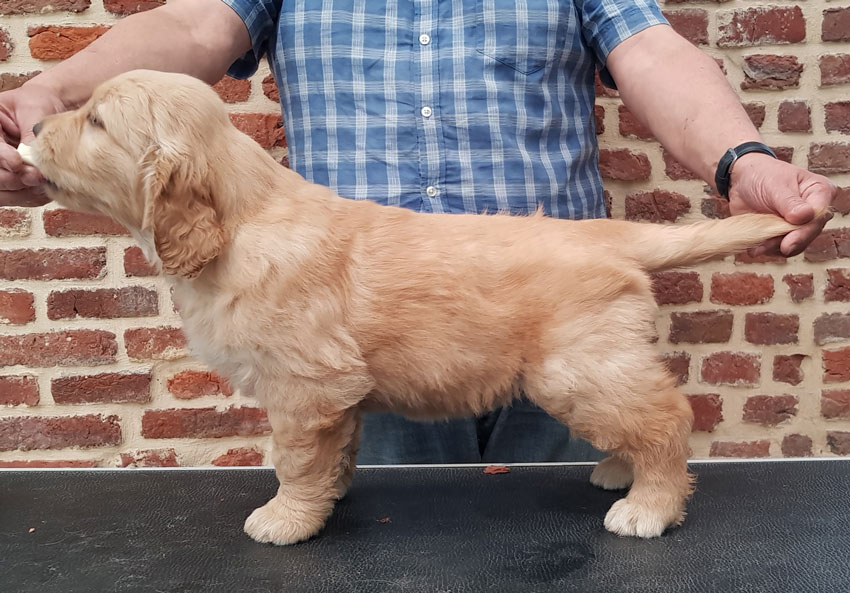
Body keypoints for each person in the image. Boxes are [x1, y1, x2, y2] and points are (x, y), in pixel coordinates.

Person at [0, 0, 836, 464]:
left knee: (564, 544)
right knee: (397, 555)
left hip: (542, 295)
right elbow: (188, 29)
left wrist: (741, 161)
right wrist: (61, 95)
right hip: (353, 321)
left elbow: (650, 53)